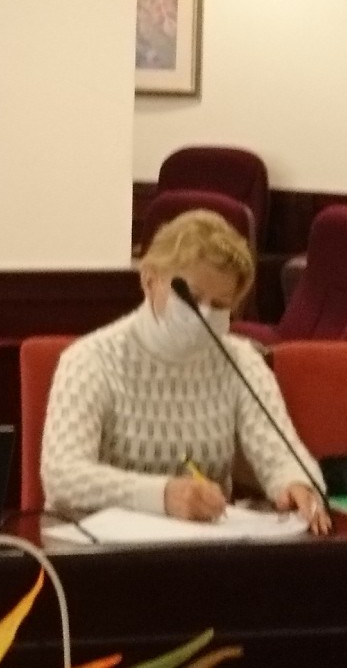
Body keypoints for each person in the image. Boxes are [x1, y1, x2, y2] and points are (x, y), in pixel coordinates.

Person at [40, 207, 331, 532]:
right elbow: (62, 476)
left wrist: (296, 484)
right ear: (149, 280)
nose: (204, 314)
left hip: (205, 547)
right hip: (104, 548)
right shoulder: (90, 360)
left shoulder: (242, 361)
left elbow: (282, 454)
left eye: (220, 305)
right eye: (191, 297)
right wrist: (162, 495)